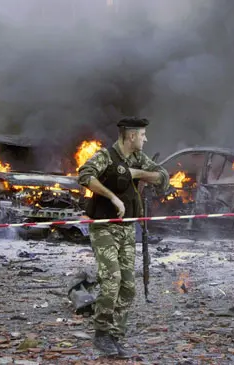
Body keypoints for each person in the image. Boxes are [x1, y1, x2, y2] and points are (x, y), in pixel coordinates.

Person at [78, 116, 169, 358]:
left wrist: (135, 173)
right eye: (142, 135)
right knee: (111, 281)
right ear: (131, 136)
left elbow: (162, 176)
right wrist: (112, 197)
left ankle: (115, 337)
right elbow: (85, 175)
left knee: (128, 287)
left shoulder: (138, 158)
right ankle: (101, 332)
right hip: (105, 227)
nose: (145, 139)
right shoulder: (105, 156)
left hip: (128, 229)